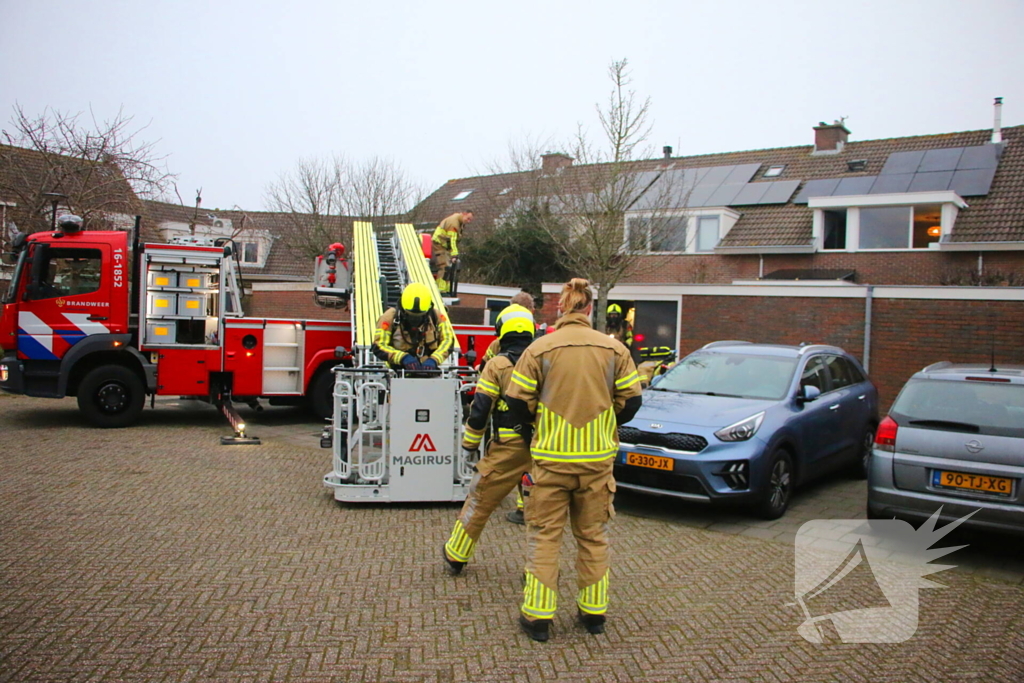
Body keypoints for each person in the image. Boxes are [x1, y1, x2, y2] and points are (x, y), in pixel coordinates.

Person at [506, 278, 643, 642]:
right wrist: (605, 420)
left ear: (561, 308)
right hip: (597, 464)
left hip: (551, 463)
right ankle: (594, 614)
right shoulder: (615, 350)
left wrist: (539, 422)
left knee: (544, 536)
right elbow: (632, 403)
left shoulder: (539, 349)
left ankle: (538, 619)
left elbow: (516, 403)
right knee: (593, 536)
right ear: (588, 309)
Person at [442, 307, 537, 574]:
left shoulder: (497, 365)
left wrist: (469, 445)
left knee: (480, 498)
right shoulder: (544, 362)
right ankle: (538, 571)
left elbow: (480, 409)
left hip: (508, 449)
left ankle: (456, 554)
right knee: (542, 514)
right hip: (543, 448)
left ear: (501, 331)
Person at [371, 282, 454, 370]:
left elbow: (448, 340)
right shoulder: (389, 318)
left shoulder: (436, 317)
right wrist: (402, 357)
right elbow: (379, 345)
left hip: (430, 370)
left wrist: (434, 359)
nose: (415, 320)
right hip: (397, 373)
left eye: (420, 316)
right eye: (410, 315)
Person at [431, 210, 473, 293]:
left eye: (470, 220)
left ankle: (445, 288)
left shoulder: (458, 221)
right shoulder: (454, 223)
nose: (468, 221)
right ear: (464, 214)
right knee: (444, 266)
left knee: (448, 267)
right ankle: (440, 289)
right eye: (468, 218)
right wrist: (454, 255)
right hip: (439, 244)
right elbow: (451, 240)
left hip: (444, 245)